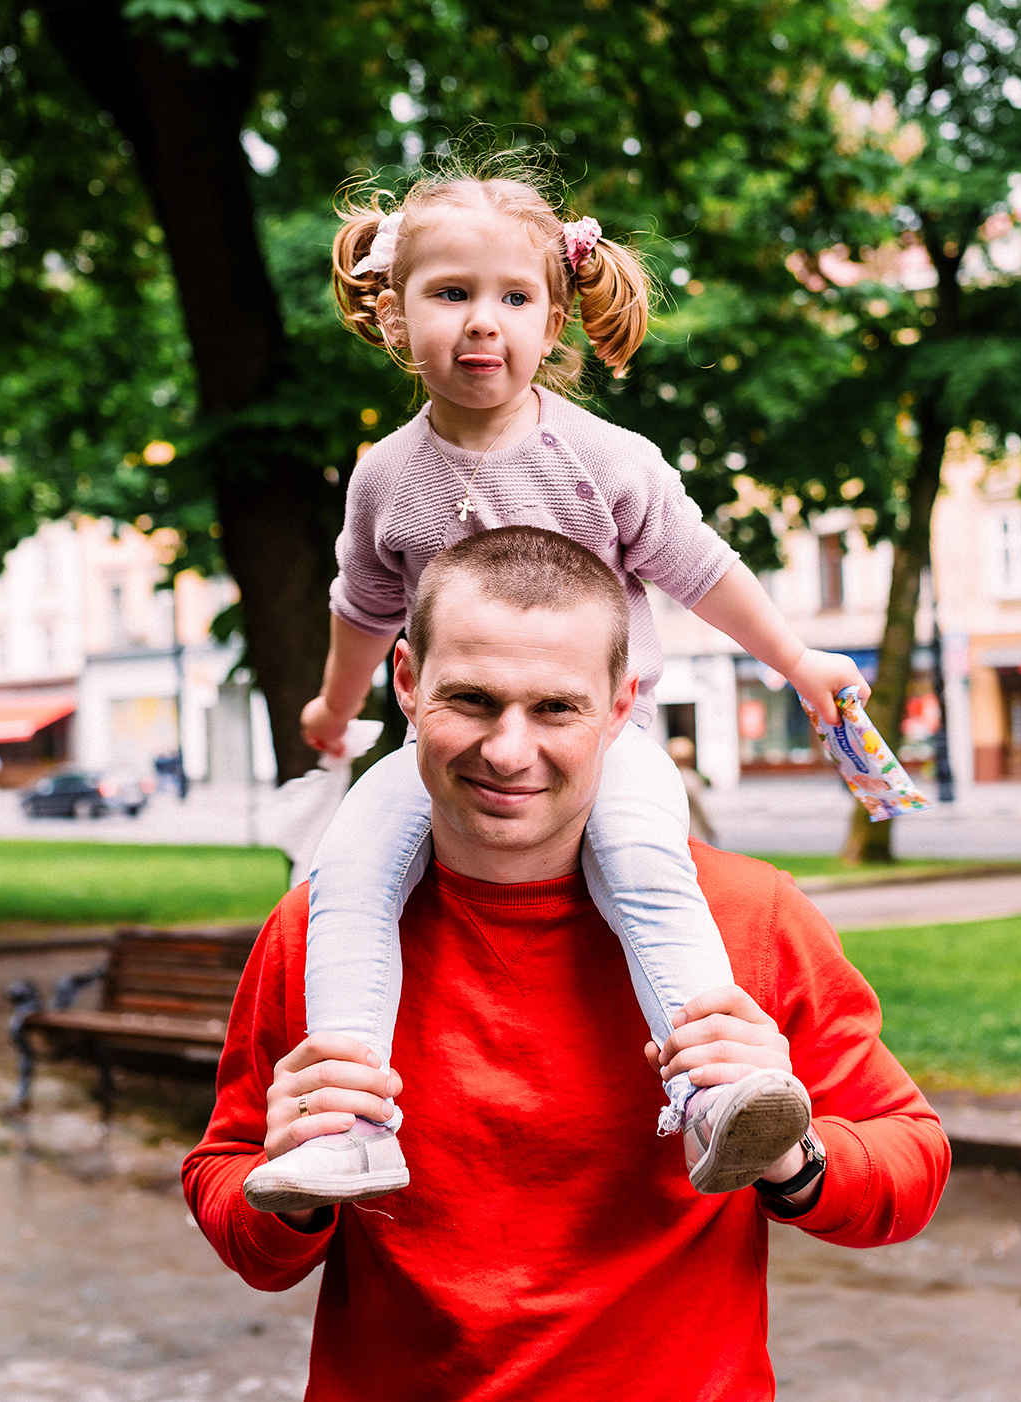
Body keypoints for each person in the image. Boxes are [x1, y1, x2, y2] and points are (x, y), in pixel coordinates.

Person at [183, 528, 950, 1400]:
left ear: (622, 707)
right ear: (405, 682)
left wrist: (794, 1156)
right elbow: (233, 1199)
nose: (509, 752)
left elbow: (911, 1166)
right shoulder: (317, 929)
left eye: (556, 709)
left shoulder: (748, 917)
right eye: (471, 700)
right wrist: (289, 1187)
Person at [248, 155, 870, 1211]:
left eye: (513, 297)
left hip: (600, 744)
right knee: (345, 876)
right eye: (451, 294)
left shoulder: (607, 460)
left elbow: (702, 567)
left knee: (644, 863)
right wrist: (336, 706)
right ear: (397, 316)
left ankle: (721, 1095)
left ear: (554, 319)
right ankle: (346, 1122)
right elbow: (363, 608)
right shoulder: (386, 477)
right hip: (436, 743)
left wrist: (797, 659)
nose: (482, 322)